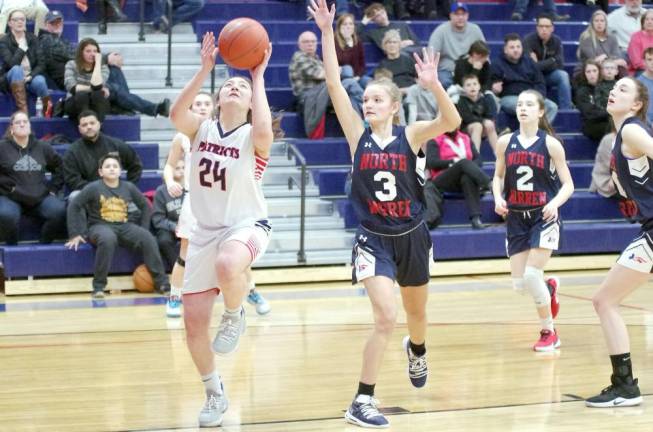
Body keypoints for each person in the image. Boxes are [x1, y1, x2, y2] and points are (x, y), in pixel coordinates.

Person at [310, 0, 461, 427]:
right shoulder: (356, 136)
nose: (368, 102)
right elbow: (335, 83)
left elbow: (452, 120)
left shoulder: (411, 134)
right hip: (373, 236)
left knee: (416, 318)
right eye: (368, 98)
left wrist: (433, 86)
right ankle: (361, 400)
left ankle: (417, 350)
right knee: (385, 317)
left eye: (377, 98)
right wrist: (326, 31)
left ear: (393, 106)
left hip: (411, 234)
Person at [168, 30, 274, 427]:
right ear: (217, 99)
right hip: (204, 231)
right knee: (193, 323)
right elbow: (176, 115)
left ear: (249, 103)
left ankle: (235, 312)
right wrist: (204, 70)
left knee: (230, 263)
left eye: (240, 87)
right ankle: (214, 393)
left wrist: (257, 77)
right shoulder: (200, 130)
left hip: (247, 224)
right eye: (227, 84)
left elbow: (264, 130)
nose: (233, 87)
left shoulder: (252, 136)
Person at [162, 92, 271, 318]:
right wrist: (171, 181)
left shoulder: (233, 134)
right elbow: (170, 166)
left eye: (206, 103)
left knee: (236, 253)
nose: (202, 107)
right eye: (197, 103)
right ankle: (174, 296)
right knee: (185, 253)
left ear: (215, 105)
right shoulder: (185, 135)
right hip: (196, 200)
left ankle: (249, 291)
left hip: (227, 201)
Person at [585, 76, 653, 408]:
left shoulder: (631, 129)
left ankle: (625, 386)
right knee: (604, 301)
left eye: (624, 89)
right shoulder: (619, 136)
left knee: (604, 301)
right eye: (614, 87)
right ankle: (624, 385)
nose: (614, 90)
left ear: (637, 104)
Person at [492, 89, 574, 352]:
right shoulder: (505, 142)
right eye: (519, 104)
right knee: (520, 285)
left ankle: (549, 331)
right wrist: (497, 198)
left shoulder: (551, 144)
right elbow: (498, 177)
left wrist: (554, 203)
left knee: (531, 274)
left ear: (540, 111)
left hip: (543, 215)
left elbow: (569, 185)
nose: (522, 108)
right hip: (516, 217)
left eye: (529, 104)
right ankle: (549, 289)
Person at [66, 153, 170, 299]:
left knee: (147, 238)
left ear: (120, 170)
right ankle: (98, 286)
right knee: (108, 239)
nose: (112, 169)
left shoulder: (128, 187)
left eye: (115, 166)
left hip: (124, 226)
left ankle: (162, 283)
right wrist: (75, 233)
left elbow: (146, 206)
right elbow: (74, 206)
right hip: (99, 226)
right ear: (100, 172)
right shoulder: (93, 188)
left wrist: (143, 229)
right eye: (107, 166)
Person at [0, 111, 66, 245]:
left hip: (39, 197)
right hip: (11, 197)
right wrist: (8, 187)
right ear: (11, 128)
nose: (22, 124)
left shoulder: (43, 147)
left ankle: (44, 244)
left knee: (59, 211)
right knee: (7, 215)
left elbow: (61, 167)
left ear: (30, 126)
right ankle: (12, 248)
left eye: (25, 122)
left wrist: (53, 188)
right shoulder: (2, 147)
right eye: (18, 122)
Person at [289, 30, 363, 137]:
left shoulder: (316, 59)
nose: (310, 44)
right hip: (309, 96)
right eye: (306, 42)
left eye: (313, 41)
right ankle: (365, 104)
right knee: (348, 80)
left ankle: (358, 130)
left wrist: (337, 71)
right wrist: (338, 71)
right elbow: (321, 75)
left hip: (323, 94)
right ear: (299, 45)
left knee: (349, 99)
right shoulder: (299, 57)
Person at [63, 110, 143, 198]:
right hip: (87, 193)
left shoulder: (115, 144)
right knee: (74, 197)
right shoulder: (72, 152)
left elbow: (135, 165)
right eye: (84, 125)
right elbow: (72, 179)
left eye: (92, 123)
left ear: (99, 124)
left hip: (115, 191)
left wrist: (127, 187)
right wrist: (97, 190)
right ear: (80, 129)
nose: (89, 127)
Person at [426, 128, 491, 229]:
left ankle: (475, 218)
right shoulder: (435, 139)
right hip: (442, 180)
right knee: (463, 162)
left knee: (467, 177)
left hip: (462, 179)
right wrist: (452, 162)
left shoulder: (465, 138)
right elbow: (431, 162)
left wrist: (469, 168)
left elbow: (478, 159)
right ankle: (488, 184)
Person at [491, 33, 558, 124]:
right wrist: (495, 90)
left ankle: (538, 132)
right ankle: (531, 133)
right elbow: (493, 86)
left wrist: (539, 96)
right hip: (509, 97)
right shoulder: (497, 64)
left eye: (518, 47)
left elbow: (540, 81)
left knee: (552, 106)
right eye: (512, 47)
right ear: (505, 50)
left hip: (530, 96)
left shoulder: (529, 62)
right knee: (527, 107)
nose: (516, 50)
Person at [0, 10, 50, 114]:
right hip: (12, 79)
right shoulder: (4, 41)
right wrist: (22, 48)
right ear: (9, 23)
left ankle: (47, 111)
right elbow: (11, 65)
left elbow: (42, 63)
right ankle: (23, 111)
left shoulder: (33, 38)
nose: (19, 22)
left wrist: (30, 76)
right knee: (17, 69)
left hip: (29, 77)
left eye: (22, 19)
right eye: (15, 19)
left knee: (40, 81)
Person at [427, 2, 485, 90]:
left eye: (463, 14)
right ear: (450, 15)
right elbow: (430, 55)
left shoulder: (475, 29)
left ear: (467, 15)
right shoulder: (441, 30)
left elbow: (484, 52)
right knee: (444, 82)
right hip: (447, 70)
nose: (460, 17)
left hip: (469, 69)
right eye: (456, 14)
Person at [523, 13, 572, 110]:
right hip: (533, 78)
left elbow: (560, 64)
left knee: (563, 75)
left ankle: (566, 110)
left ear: (552, 28)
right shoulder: (528, 40)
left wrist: (540, 64)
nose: (544, 29)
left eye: (547, 26)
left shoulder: (557, 41)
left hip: (549, 75)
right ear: (537, 28)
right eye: (541, 26)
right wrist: (552, 60)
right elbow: (530, 67)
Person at [63, 38, 111, 123]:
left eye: (95, 51)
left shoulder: (103, 68)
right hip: (74, 102)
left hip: (95, 102)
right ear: (81, 53)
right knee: (82, 95)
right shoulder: (71, 65)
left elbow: (97, 85)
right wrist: (93, 88)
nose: (92, 54)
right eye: (88, 51)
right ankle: (86, 126)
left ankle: (96, 128)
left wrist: (97, 64)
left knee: (97, 94)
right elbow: (72, 88)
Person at [152, 158, 184, 272]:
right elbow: (158, 220)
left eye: (183, 168)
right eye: (177, 168)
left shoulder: (192, 188)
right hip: (170, 228)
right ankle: (178, 270)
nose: (181, 171)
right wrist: (174, 227)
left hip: (189, 226)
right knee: (163, 240)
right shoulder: (161, 191)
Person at [576, 10, 627, 78]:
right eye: (596, 21)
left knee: (621, 68)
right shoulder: (586, 37)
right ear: (592, 23)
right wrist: (612, 60)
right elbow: (593, 60)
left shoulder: (612, 38)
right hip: (589, 69)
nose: (599, 23)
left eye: (602, 21)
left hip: (607, 67)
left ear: (606, 23)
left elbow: (616, 56)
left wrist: (605, 57)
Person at [456, 74, 497, 154]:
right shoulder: (461, 101)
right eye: (468, 85)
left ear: (479, 86)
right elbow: (468, 118)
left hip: (482, 127)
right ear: (463, 88)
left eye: (475, 84)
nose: (472, 87)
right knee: (477, 125)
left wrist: (485, 121)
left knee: (489, 124)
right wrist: (483, 121)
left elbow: (490, 115)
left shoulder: (484, 99)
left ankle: (498, 155)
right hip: (466, 128)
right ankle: (475, 155)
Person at [38, 10, 75, 91]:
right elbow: (72, 55)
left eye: (59, 22)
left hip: (74, 76)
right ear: (45, 25)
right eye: (53, 23)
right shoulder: (47, 40)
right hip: (69, 81)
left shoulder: (61, 40)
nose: (57, 25)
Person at [575, 60, 611, 142]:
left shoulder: (606, 87)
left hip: (607, 120)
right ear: (584, 74)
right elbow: (589, 113)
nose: (592, 74)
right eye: (588, 72)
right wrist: (609, 112)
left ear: (599, 72)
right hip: (591, 125)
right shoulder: (582, 91)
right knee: (614, 128)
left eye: (594, 71)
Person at [334, 13, 369, 88]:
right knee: (347, 69)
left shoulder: (357, 42)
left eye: (351, 24)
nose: (348, 27)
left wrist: (358, 77)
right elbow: (342, 60)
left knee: (370, 82)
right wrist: (347, 44)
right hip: (341, 78)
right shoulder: (334, 42)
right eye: (344, 24)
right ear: (339, 27)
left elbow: (362, 64)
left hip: (356, 77)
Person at [378, 30, 416, 94]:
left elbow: (417, 78)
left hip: (413, 92)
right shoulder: (383, 65)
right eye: (389, 42)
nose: (392, 45)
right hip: (396, 94)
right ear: (384, 46)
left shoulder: (408, 60)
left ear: (399, 45)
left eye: (394, 42)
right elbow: (385, 88)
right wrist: (402, 91)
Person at [627, 9, 653, 76]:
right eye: (646, 19)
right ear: (643, 22)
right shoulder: (636, 37)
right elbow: (636, 62)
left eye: (652, 19)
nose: (649, 22)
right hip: (641, 70)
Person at [637, 47, 653, 126]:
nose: (652, 62)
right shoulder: (639, 83)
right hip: (646, 125)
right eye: (649, 59)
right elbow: (638, 110)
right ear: (644, 62)